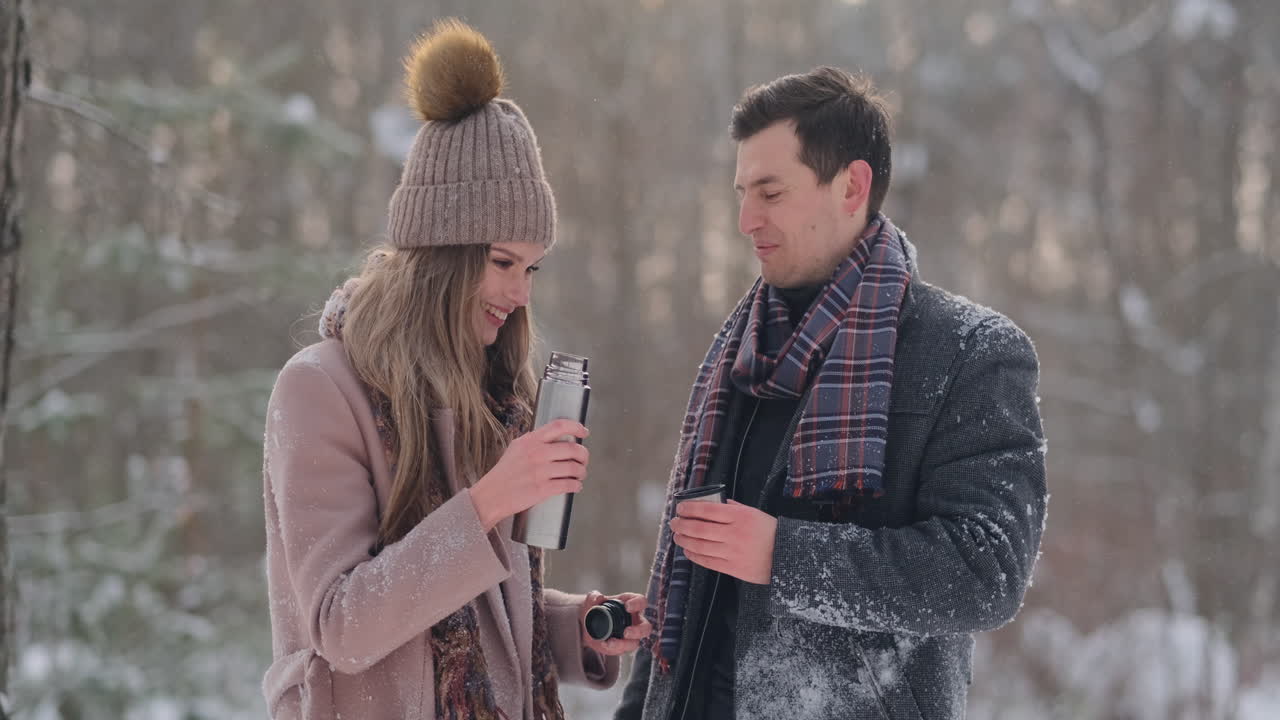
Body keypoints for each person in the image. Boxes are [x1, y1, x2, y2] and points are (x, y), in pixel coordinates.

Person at [614, 66, 1047, 720]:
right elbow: (690, 570)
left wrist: (784, 557)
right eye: (740, 192)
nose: (744, 219)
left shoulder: (971, 352)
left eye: (770, 191)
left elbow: (987, 573)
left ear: (852, 186)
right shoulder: (739, 353)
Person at [261, 19, 650, 720]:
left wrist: (580, 627)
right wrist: (490, 502)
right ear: (440, 255)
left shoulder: (486, 396)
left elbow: (476, 619)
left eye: (532, 268)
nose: (521, 292)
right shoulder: (319, 390)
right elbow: (343, 625)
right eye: (503, 262)